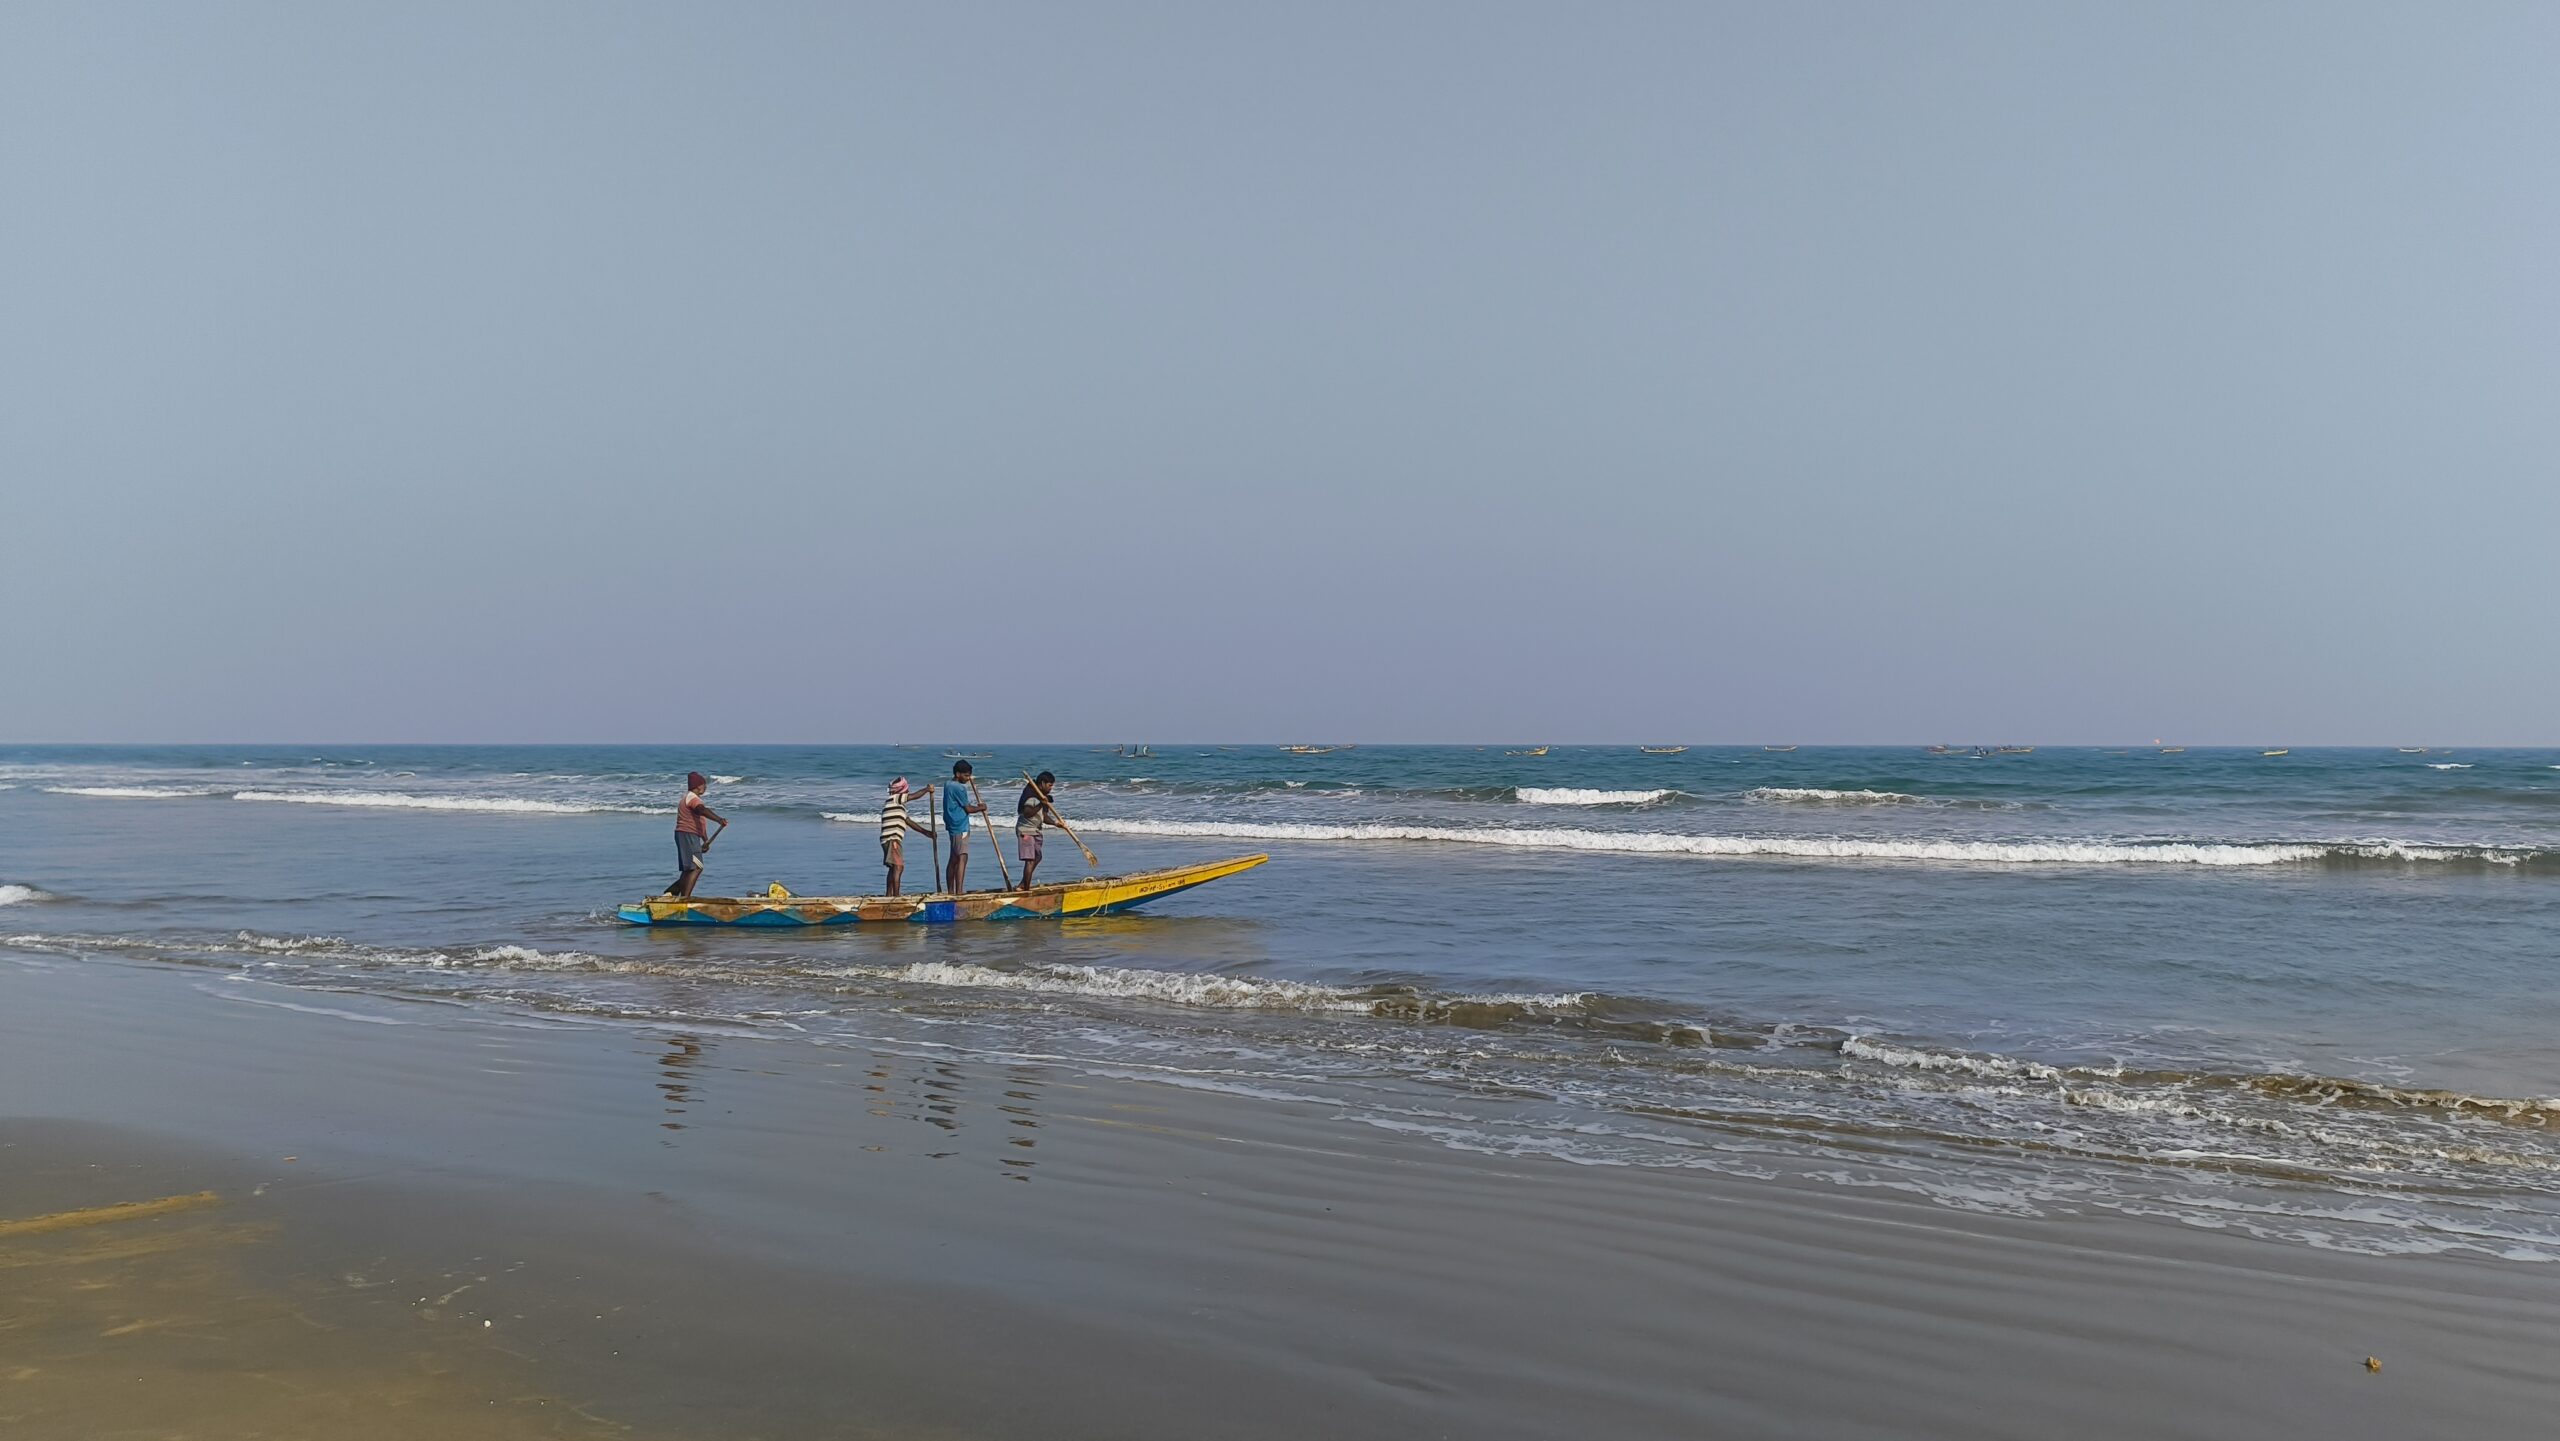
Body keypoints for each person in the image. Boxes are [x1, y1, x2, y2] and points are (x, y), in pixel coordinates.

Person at [664, 772, 726, 898]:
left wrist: (705, 841)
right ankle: (685, 898)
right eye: (704, 785)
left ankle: (670, 894)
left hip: (688, 835)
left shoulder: (690, 798)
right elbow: (702, 810)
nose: (705, 787)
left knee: (689, 869)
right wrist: (718, 819)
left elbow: (700, 823)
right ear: (698, 786)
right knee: (697, 867)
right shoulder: (692, 798)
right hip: (687, 835)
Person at [879, 777, 934, 896]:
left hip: (887, 839)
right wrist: (926, 789)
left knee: (893, 867)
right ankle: (896, 896)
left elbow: (909, 822)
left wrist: (926, 833)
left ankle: (889, 895)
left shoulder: (897, 806)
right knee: (898, 867)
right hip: (892, 838)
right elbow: (914, 796)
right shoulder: (896, 798)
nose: (907, 793)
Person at [941, 760, 989, 893]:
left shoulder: (947, 784)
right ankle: (959, 891)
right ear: (958, 774)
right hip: (960, 825)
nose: (968, 779)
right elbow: (968, 808)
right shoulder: (959, 788)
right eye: (966, 776)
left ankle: (951, 891)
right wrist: (981, 807)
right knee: (962, 856)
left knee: (954, 857)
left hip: (951, 824)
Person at [1015, 771, 1062, 889]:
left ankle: (1022, 884)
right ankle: (1026, 888)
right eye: (1050, 785)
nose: (1051, 788)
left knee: (1037, 857)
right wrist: (1041, 803)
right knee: (1030, 860)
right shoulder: (1031, 795)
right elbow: (1027, 813)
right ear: (1042, 783)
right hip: (1026, 830)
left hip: (1035, 830)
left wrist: (1056, 823)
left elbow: (1044, 816)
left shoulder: (1042, 796)